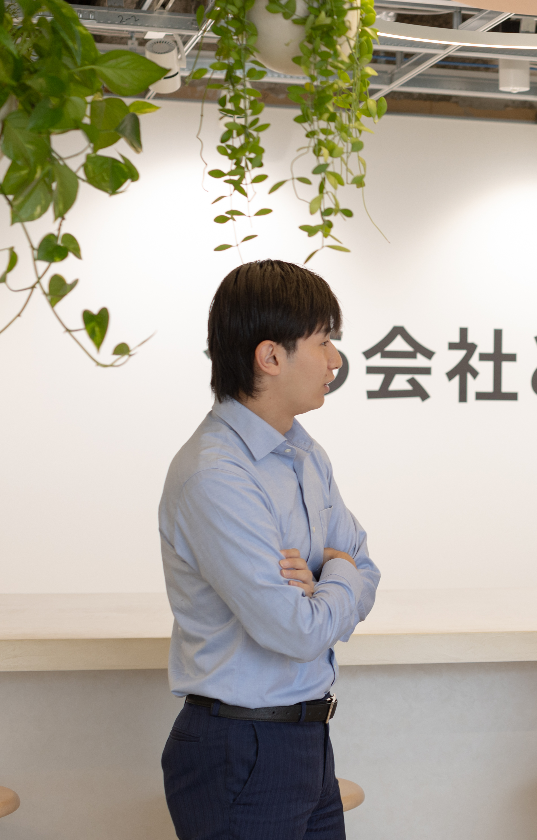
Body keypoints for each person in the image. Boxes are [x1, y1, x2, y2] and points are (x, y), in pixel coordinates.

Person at [158, 260, 380, 840]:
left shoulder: (305, 455)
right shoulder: (216, 475)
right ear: (271, 357)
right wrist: (338, 572)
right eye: (324, 341)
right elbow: (297, 631)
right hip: (240, 749)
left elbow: (367, 566)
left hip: (307, 739)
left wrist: (327, 578)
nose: (336, 360)